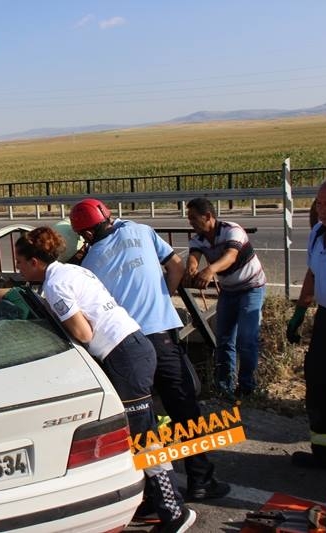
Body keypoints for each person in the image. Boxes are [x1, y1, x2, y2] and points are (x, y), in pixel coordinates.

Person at [13, 227, 196, 532]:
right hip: (136, 346)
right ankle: (154, 502)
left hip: (124, 357)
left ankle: (175, 512)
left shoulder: (56, 286)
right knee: (141, 433)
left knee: (143, 440)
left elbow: (84, 333)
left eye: (20, 262)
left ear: (34, 262)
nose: (17, 268)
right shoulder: (72, 271)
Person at [71, 198, 231, 502]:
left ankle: (150, 493)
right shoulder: (141, 231)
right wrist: (161, 296)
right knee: (185, 409)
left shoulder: (89, 264)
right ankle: (200, 479)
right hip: (160, 335)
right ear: (108, 215)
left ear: (86, 234)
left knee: (140, 422)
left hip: (126, 347)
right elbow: (176, 267)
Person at [184, 197, 266, 398]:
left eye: (194, 218)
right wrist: (191, 269)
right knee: (224, 339)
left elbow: (230, 256)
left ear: (208, 216)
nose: (190, 222)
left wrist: (210, 270)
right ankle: (225, 386)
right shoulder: (198, 239)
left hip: (251, 288)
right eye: (189, 218)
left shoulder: (232, 230)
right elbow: (194, 256)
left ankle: (247, 387)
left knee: (246, 339)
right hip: (229, 292)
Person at [286, 175, 326, 471]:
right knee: (320, 386)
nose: (322, 210)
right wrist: (299, 313)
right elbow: (313, 273)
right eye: (319, 203)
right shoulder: (319, 233)